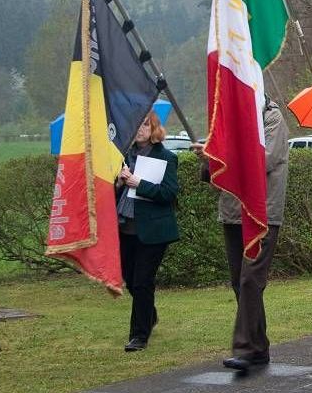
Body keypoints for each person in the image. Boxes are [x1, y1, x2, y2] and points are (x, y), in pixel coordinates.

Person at [192, 97, 289, 371]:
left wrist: (221, 153)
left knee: (250, 280)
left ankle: (245, 349)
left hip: (262, 212)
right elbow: (213, 175)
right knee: (240, 281)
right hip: (233, 210)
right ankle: (258, 348)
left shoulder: (273, 119)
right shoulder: (228, 122)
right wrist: (209, 158)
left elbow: (264, 160)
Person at [115, 111, 179, 352]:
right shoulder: (123, 156)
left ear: (154, 128)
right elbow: (112, 195)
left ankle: (139, 336)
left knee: (142, 281)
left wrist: (139, 184)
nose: (140, 129)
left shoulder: (167, 157)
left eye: (145, 124)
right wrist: (120, 184)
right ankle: (149, 315)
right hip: (126, 229)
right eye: (136, 124)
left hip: (153, 231)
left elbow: (169, 193)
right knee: (131, 280)